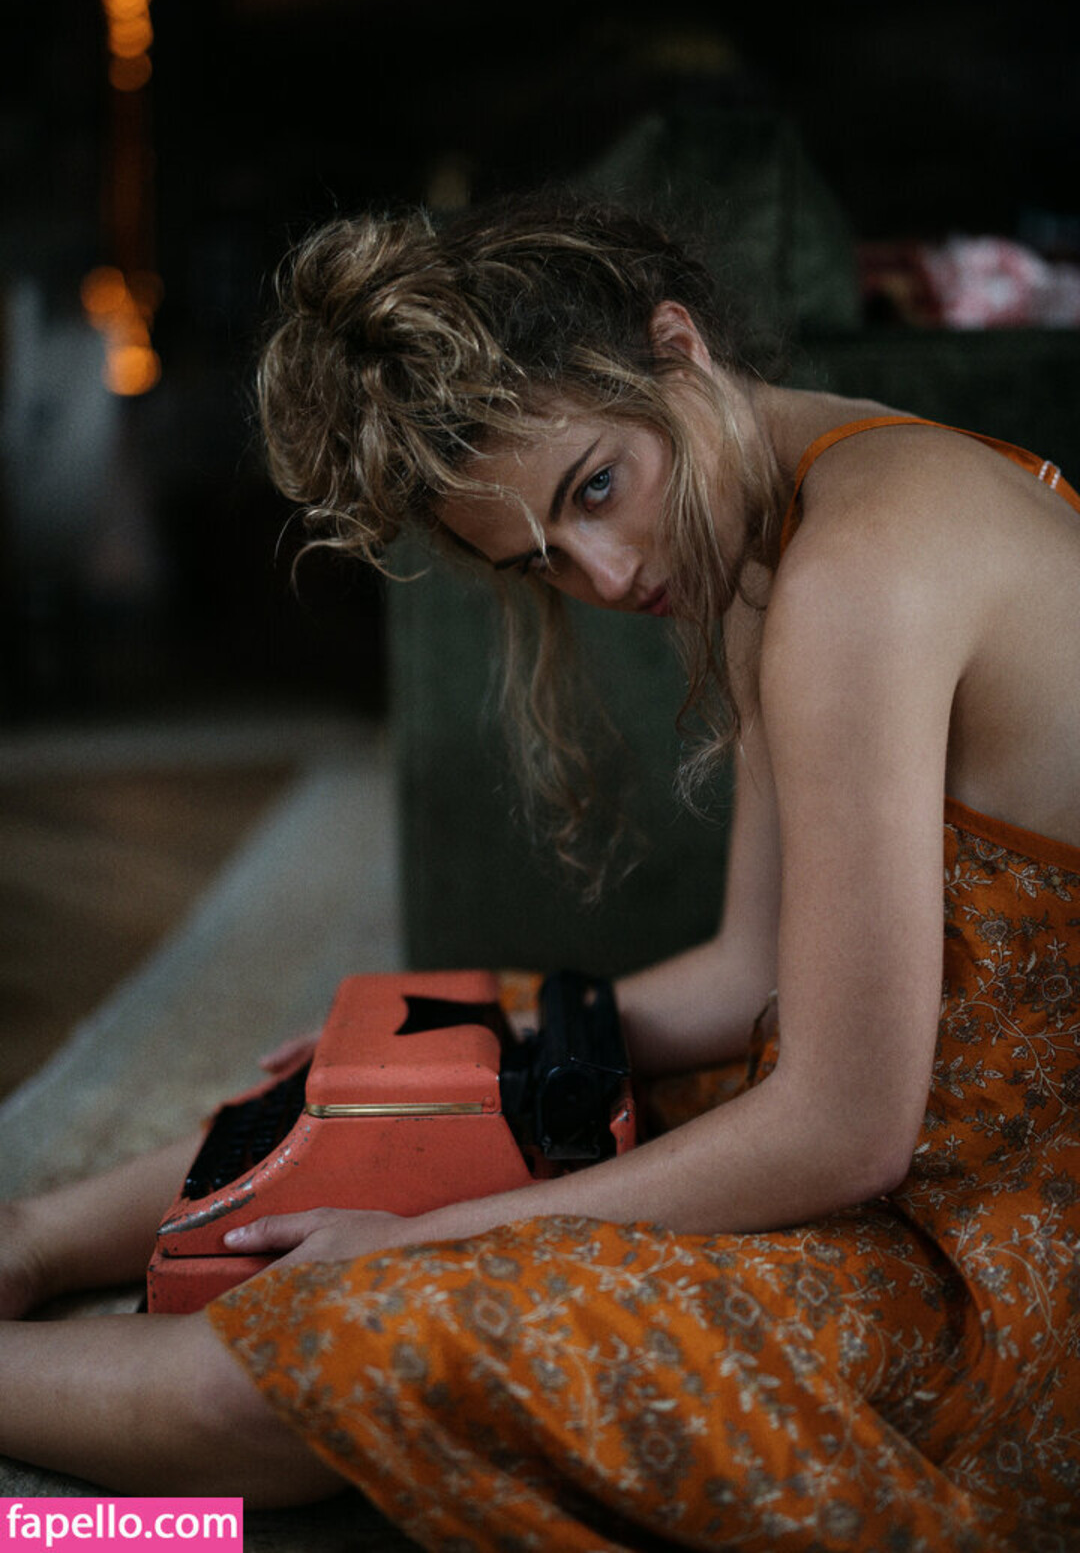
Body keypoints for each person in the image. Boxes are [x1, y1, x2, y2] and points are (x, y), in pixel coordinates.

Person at [2, 194, 1079, 1550]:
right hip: (917, 1126)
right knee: (453, 1069)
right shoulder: (797, 517)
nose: (608, 577)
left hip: (1004, 1252)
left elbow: (841, 1133)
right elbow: (752, 974)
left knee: (363, 1338)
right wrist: (473, 1035)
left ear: (674, 346)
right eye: (544, 560)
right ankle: (33, 1235)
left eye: (596, 488)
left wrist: (428, 1242)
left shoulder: (856, 578)